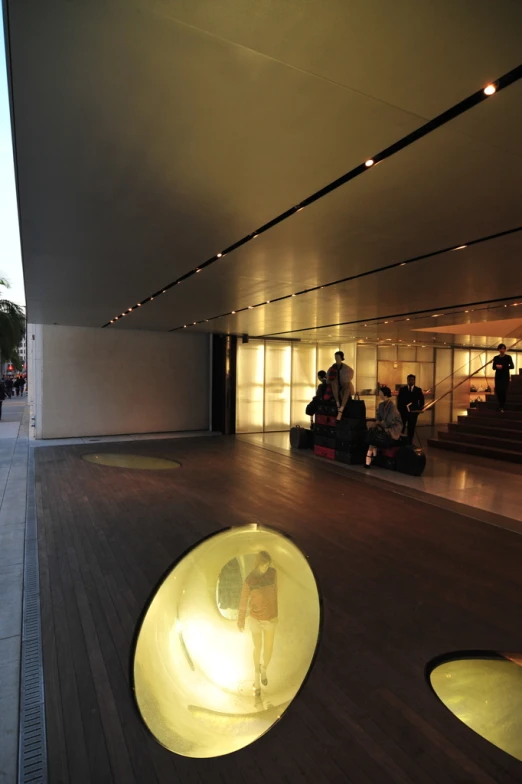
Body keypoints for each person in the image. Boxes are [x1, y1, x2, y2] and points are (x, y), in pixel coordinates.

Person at [237, 551, 278, 695]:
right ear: (257, 564)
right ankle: (256, 676)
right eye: (262, 566)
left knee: (269, 648)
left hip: (270, 618)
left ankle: (264, 669)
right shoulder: (249, 580)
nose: (265, 568)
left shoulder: (273, 573)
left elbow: (275, 593)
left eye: (267, 565)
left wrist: (275, 614)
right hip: (255, 618)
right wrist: (241, 620)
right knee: (257, 647)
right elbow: (243, 601)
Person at [366, 385, 403, 467]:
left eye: (381, 393)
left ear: (385, 395)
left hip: (393, 427)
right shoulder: (381, 405)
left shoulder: (392, 406)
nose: (379, 394)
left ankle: (369, 455)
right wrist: (378, 422)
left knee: (374, 432)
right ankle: (372, 454)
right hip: (384, 425)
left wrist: (379, 424)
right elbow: (378, 416)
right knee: (371, 426)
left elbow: (390, 421)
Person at [397, 374, 425, 444]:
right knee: (401, 427)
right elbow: (399, 401)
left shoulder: (418, 390)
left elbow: (422, 400)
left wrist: (418, 410)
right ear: (407, 380)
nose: (410, 381)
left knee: (411, 428)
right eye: (409, 380)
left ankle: (410, 442)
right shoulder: (402, 389)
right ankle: (400, 441)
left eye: (412, 380)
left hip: (413, 412)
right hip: (403, 412)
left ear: (414, 380)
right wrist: (400, 410)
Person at [327, 351, 355, 421]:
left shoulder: (347, 369)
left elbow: (348, 379)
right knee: (334, 383)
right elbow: (328, 380)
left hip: (344, 388)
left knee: (347, 390)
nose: (336, 359)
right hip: (335, 388)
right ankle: (338, 404)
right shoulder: (332, 368)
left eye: (338, 357)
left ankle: (341, 409)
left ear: (341, 358)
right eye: (335, 357)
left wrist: (344, 383)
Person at [492, 344, 514, 412]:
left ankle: (502, 406)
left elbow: (512, 366)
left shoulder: (508, 357)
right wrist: (497, 366)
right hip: (498, 376)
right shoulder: (496, 358)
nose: (502, 350)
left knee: (503, 391)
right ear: (498, 350)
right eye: (500, 349)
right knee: (498, 390)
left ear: (505, 349)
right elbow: (493, 367)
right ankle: (500, 405)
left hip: (505, 376)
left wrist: (503, 367)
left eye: (503, 349)